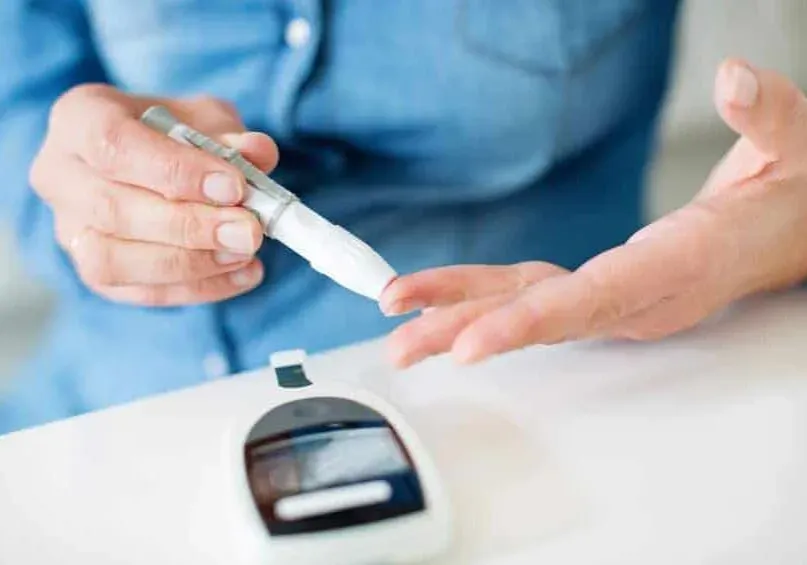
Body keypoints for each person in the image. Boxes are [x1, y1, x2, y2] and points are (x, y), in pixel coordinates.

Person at [1, 1, 806, 434]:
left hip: (511, 414)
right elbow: (23, 113)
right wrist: (87, 188)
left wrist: (777, 223)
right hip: (97, 422)